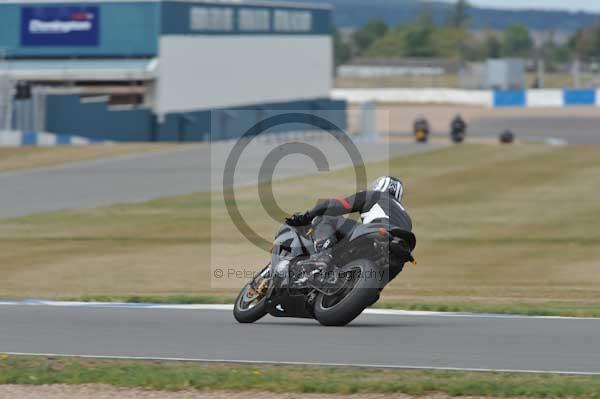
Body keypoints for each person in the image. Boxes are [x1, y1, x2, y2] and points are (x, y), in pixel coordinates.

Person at [285, 176, 412, 281]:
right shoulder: (406, 217)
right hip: (398, 251)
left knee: (327, 217)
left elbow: (332, 206)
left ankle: (322, 257)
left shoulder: (374, 195)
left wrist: (305, 217)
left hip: (377, 233)